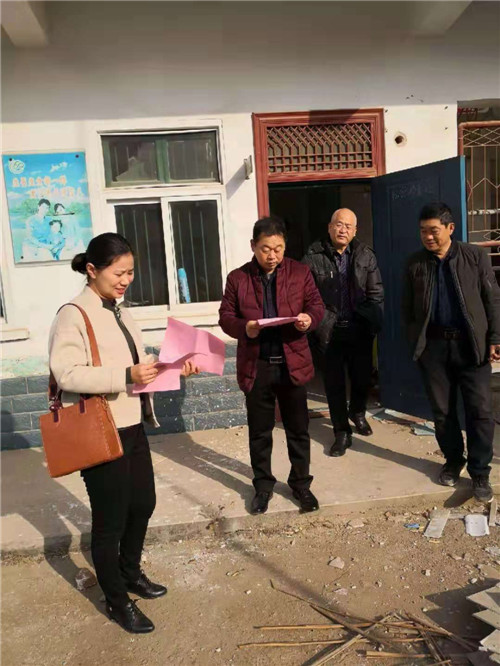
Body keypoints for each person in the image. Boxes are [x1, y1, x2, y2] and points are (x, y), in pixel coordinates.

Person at [48, 232, 199, 634]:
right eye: (119, 273)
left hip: (132, 424)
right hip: (99, 430)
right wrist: (126, 375)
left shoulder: (121, 311)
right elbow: (67, 373)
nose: (126, 280)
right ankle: (117, 601)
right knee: (109, 522)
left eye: (130, 272)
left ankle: (130, 572)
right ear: (92, 270)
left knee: (143, 503)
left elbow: (138, 366)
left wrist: (172, 368)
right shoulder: (73, 314)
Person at [219, 216, 325, 515]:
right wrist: (245, 327)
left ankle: (301, 484)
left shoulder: (300, 273)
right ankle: (263, 486)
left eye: (278, 249)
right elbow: (225, 317)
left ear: (285, 247)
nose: (272, 255)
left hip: (292, 363)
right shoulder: (238, 278)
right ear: (253, 246)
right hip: (258, 365)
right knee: (260, 432)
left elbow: (316, 305)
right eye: (265, 249)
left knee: (298, 429)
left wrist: (308, 320)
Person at [402, 203, 500, 503]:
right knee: (443, 412)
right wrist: (416, 343)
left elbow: (492, 298)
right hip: (434, 348)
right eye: (423, 231)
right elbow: (407, 309)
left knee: (480, 411)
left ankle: (480, 472)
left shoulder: (474, 256)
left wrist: (495, 337)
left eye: (433, 230)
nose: (428, 237)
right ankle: (454, 460)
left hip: (471, 346)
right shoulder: (415, 264)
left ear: (450, 228)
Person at [303, 208, 384, 457]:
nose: (343, 230)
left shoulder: (365, 255)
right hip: (329, 331)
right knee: (334, 384)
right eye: (339, 224)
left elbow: (376, 294)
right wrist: (317, 324)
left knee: (362, 379)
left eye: (348, 226)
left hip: (359, 328)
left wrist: (372, 322)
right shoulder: (312, 257)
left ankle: (357, 412)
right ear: (330, 227)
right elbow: (306, 297)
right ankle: (341, 432)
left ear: (355, 231)